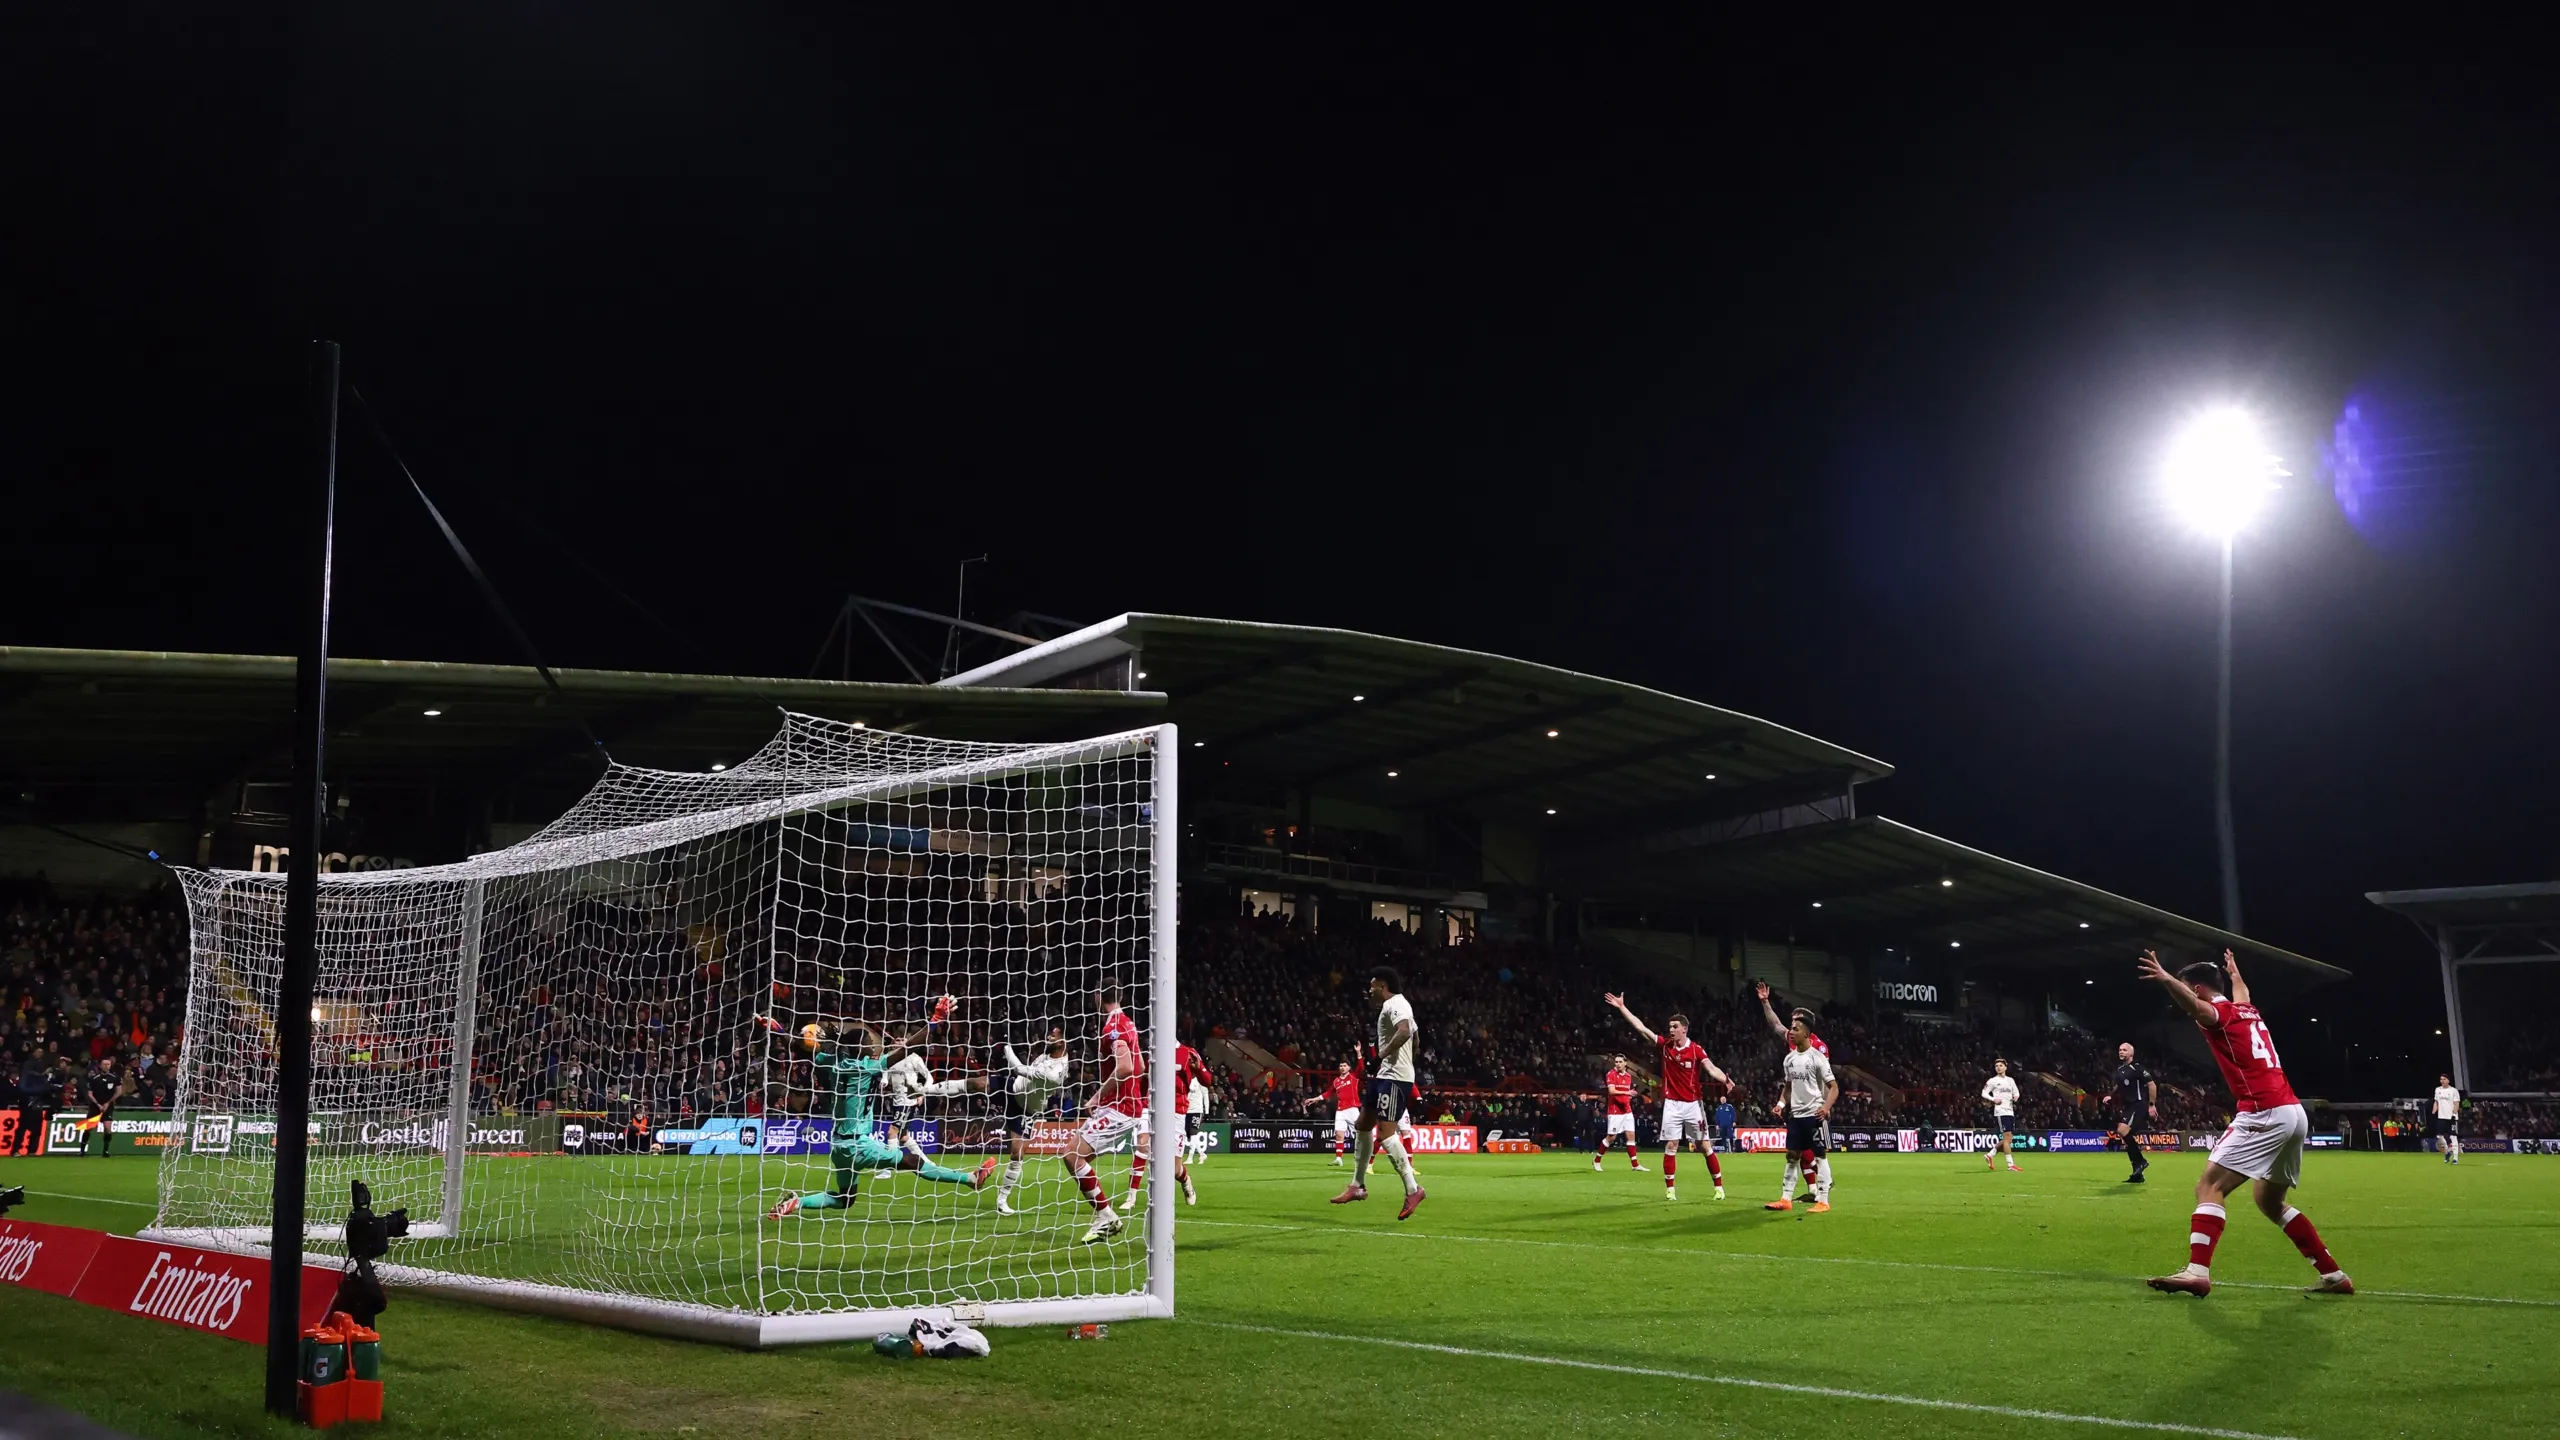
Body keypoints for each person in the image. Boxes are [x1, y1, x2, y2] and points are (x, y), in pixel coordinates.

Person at [2137, 949, 2352, 1298]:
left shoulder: (2219, 1015)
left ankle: (2197, 1272)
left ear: (2197, 988)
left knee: (2209, 1187)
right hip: (2292, 1111)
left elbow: (2197, 1008)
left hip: (2262, 1112)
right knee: (2269, 1201)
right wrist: (2235, 973)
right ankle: (2333, 1275)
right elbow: (2242, 993)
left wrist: (2166, 979)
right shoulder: (2246, 1011)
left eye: (2189, 989)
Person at [759, 1003, 999, 1220]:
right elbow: (907, 1049)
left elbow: (800, 1047)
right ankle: (970, 1179)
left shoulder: (832, 1062)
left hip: (838, 1145)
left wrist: (777, 1030)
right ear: (858, 1049)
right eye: (867, 1043)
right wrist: (935, 1021)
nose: (872, 1046)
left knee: (845, 1199)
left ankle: (797, 1202)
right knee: (914, 1161)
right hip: (858, 1145)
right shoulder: (868, 1068)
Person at [1605, 993, 1729, 1199]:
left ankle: (1719, 1188)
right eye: (1670, 1027)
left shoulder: (1696, 1050)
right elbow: (1641, 1029)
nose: (1671, 1030)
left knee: (1704, 1145)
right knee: (1671, 1145)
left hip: (1693, 1104)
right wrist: (1622, 1008)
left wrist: (1727, 1081)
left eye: (1674, 1027)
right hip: (1672, 1104)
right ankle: (1670, 1190)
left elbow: (1711, 1068)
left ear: (1684, 1029)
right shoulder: (1665, 1046)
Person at [1329, 967, 1426, 1219]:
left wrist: (1382, 1057)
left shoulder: (1395, 1004)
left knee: (1385, 1134)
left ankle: (1413, 1189)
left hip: (1394, 1078)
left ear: (1383, 986)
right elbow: (1415, 1038)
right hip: (1385, 1075)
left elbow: (1405, 1031)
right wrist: (1406, 1060)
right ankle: (1357, 1185)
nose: (1369, 990)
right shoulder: (1396, 1005)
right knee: (1362, 1124)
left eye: (1372, 986)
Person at [1064, 982, 1150, 1244]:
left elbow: (1125, 1068)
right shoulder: (1129, 1023)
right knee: (1076, 1157)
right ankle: (1104, 1215)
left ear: (1097, 995)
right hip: (1126, 1105)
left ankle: (1106, 1216)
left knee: (1071, 1155)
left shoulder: (1112, 1027)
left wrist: (1098, 1096)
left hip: (1118, 1108)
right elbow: (1140, 1066)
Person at [1756, 982, 1835, 1198]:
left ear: (1806, 1028)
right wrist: (1765, 1002)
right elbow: (1775, 1025)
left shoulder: (1819, 1049)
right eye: (1791, 1023)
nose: (1791, 1028)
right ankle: (1811, 1190)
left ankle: (1822, 1189)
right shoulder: (1793, 1047)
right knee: (1796, 1152)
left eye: (1796, 1023)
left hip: (1815, 1106)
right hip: (1798, 1108)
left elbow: (1827, 1080)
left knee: (1816, 1152)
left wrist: (1825, 1106)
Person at [991, 1027, 1072, 1216]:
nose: (1048, 1037)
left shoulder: (1054, 1073)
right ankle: (927, 1090)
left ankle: (1002, 1200)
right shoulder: (1048, 1055)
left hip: (1028, 1109)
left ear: (1061, 1042)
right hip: (1014, 1088)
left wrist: (1006, 1046)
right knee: (975, 1084)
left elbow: (1019, 1069)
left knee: (1017, 1152)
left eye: (1053, 1035)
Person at [2105, 1042, 2159, 1183]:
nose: (2121, 1052)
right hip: (2128, 1106)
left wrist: (2151, 1105)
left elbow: (2152, 1085)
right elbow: (2119, 1086)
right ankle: (2137, 1174)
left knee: (2122, 1130)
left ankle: (2141, 1161)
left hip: (2139, 1104)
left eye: (2124, 1050)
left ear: (2131, 1053)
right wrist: (2111, 1096)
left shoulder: (2138, 1068)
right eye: (2119, 1050)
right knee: (2126, 1138)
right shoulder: (2119, 1070)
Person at [1594, 1054, 1644, 1172]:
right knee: (1611, 1137)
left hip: (1627, 1110)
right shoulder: (1610, 1074)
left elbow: (1626, 1092)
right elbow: (1612, 1091)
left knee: (1631, 1136)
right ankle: (1597, 1160)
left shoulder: (1628, 1076)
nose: (1618, 1064)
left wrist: (1630, 1096)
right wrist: (1627, 1093)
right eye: (1616, 1062)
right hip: (1615, 1111)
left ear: (1625, 1063)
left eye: (1620, 1062)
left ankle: (1635, 1165)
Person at [1310, 1059, 1361, 1167]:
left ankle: (1362, 1156)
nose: (1342, 1067)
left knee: (1360, 1134)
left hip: (1352, 1109)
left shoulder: (1353, 1076)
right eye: (1341, 1065)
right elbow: (1328, 1093)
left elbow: (1361, 1067)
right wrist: (1315, 1099)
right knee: (1339, 1134)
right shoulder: (1336, 1081)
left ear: (1349, 1068)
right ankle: (1338, 1159)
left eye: (1345, 1065)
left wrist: (1358, 1054)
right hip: (1340, 1110)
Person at [1981, 1058, 2022, 1173]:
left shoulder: (2010, 1080)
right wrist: (1993, 1099)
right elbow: (1984, 1093)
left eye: (2000, 1065)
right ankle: (2010, 1165)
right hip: (2001, 1111)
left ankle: (1990, 1154)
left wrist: (2016, 1096)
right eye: (1996, 1066)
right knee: (2007, 1137)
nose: (1998, 1067)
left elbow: (2016, 1091)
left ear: (2005, 1067)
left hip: (2010, 1111)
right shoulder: (1993, 1081)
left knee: (2009, 1139)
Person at [2431, 1074, 2462, 1164]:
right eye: (2441, 1079)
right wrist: (2433, 1112)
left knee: (2453, 1136)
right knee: (2439, 1136)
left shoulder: (2453, 1091)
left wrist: (2454, 1114)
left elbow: (2456, 1103)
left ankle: (2455, 1158)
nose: (2442, 1081)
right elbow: (2436, 1102)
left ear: (2448, 1080)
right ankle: (2448, 1151)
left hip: (2451, 1117)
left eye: (2444, 1079)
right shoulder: (2438, 1090)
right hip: (2441, 1116)